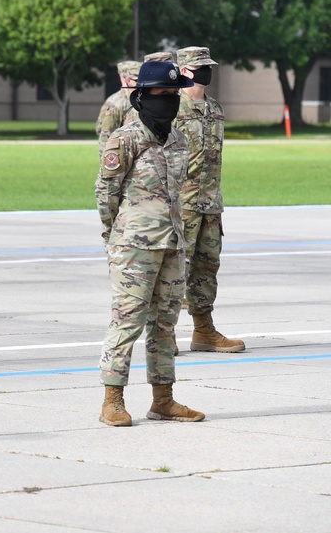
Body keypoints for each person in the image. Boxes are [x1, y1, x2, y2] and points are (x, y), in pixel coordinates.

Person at [95, 60, 205, 427]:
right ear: (141, 97)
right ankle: (112, 399)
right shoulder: (125, 138)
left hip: (173, 244)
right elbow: (106, 193)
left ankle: (163, 400)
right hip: (134, 248)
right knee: (127, 322)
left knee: (165, 325)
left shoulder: (177, 139)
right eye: (161, 94)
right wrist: (116, 237)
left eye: (174, 94)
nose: (169, 101)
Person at [175, 46, 244, 353]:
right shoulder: (171, 107)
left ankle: (203, 330)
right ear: (184, 70)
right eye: (200, 66)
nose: (207, 71)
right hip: (181, 203)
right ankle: (162, 336)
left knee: (207, 267)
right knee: (174, 268)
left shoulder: (215, 108)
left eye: (208, 66)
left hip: (211, 203)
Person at [96, 60, 140, 153]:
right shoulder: (115, 103)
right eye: (137, 79)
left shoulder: (143, 97)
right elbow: (106, 137)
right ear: (125, 79)